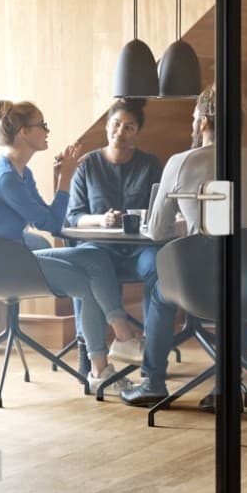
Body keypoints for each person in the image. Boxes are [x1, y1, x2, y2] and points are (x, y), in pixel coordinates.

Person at [120, 86, 247, 408]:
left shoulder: (181, 162)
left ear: (205, 120)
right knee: (245, 279)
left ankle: (153, 383)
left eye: (194, 116)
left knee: (159, 288)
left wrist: (189, 225)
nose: (192, 122)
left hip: (200, 287)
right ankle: (227, 385)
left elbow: (156, 232)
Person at [0, 100, 136, 393]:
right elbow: (51, 224)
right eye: (42, 125)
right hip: (2, 268)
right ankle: (102, 370)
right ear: (25, 132)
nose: (47, 130)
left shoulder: (19, 172)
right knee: (87, 283)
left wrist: (61, 177)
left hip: (17, 255)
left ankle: (124, 339)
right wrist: (66, 177)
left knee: (95, 255)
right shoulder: (6, 178)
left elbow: (49, 218)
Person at [66, 98, 163, 365]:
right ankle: (89, 350)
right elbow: (73, 217)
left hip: (139, 249)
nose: (120, 132)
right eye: (116, 124)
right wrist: (101, 220)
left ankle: (153, 352)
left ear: (137, 132)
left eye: (129, 127)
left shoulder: (151, 164)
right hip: (99, 248)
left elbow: (161, 211)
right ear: (107, 126)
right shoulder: (87, 165)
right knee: (86, 264)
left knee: (159, 266)